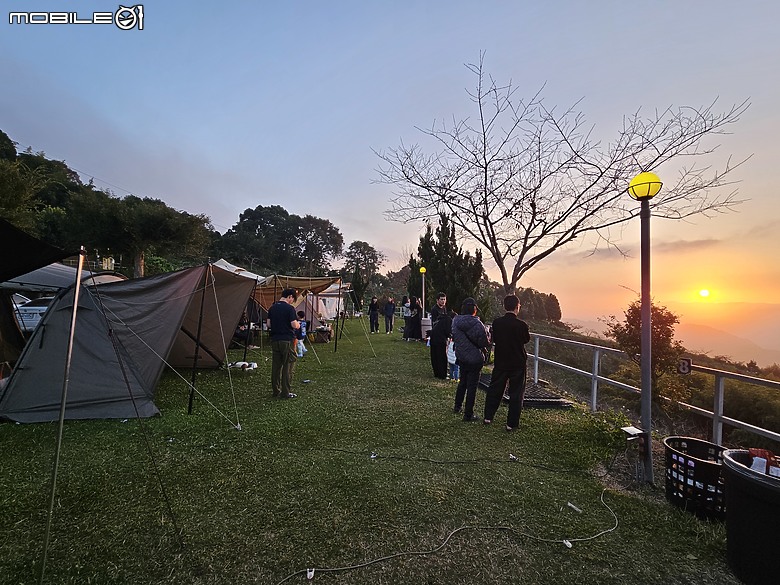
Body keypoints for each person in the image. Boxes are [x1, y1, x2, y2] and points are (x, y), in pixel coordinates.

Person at [483, 294, 531, 431]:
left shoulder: (497, 323)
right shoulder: (522, 325)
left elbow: (494, 339)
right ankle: (511, 424)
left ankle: (488, 417)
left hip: (501, 361)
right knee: (516, 393)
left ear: (505, 306)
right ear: (517, 307)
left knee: (495, 389)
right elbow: (526, 340)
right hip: (517, 363)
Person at [451, 298, 490, 422]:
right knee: (472, 386)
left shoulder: (455, 321)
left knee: (462, 382)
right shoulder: (478, 324)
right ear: (474, 309)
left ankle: (457, 406)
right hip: (474, 359)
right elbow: (483, 342)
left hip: (461, 356)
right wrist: (488, 334)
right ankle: (468, 414)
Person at [266, 288, 300, 399]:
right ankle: (285, 392)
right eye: (292, 299)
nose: (292, 301)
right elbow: (294, 324)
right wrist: (298, 324)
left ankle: (276, 391)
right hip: (287, 340)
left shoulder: (272, 308)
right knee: (288, 365)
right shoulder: (290, 309)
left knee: (276, 366)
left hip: (275, 340)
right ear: (290, 296)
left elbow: (269, 324)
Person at [428, 308, 452, 379]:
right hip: (440, 340)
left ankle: (436, 373)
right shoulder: (448, 320)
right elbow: (448, 331)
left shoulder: (440, 320)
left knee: (435, 356)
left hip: (433, 338)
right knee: (442, 357)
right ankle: (442, 375)